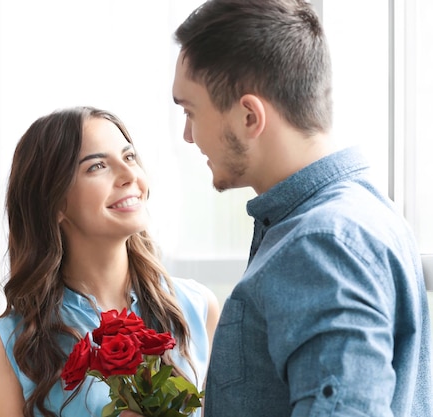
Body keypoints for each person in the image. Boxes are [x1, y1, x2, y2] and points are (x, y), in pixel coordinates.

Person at [123, 0, 432, 416]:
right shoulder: (358, 212)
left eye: (191, 111)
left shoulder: (321, 245)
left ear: (250, 116)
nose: (188, 135)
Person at [0, 106, 220, 417]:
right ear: (55, 204)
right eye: (98, 166)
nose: (130, 175)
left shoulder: (198, 309)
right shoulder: (6, 344)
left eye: (129, 157)